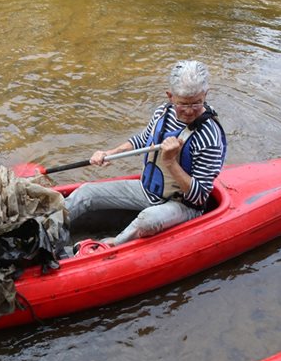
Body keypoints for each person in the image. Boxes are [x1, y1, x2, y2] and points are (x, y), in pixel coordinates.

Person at [65, 60, 227, 246]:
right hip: (147, 190)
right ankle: (45, 227)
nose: (189, 111)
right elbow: (143, 140)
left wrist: (171, 163)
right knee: (86, 192)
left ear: (205, 94)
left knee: (148, 219)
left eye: (197, 103)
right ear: (170, 96)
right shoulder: (161, 113)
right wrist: (109, 152)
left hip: (183, 206)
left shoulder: (209, 136)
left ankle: (110, 246)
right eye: (183, 103)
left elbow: (199, 197)